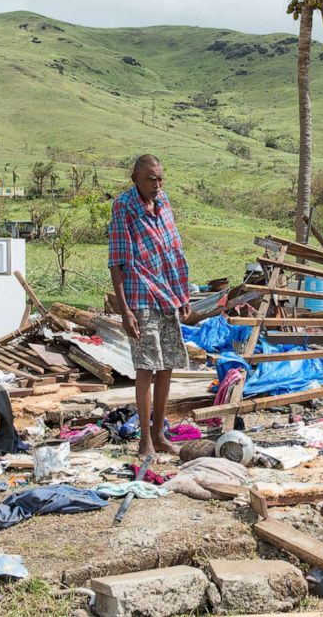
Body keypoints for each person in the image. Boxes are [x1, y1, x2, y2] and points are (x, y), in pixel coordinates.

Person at [108, 154, 191, 458]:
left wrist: (182, 295)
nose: (156, 184)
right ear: (135, 180)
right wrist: (124, 309)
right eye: (150, 179)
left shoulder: (164, 202)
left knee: (167, 363)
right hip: (140, 295)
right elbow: (116, 262)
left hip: (167, 294)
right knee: (146, 367)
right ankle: (144, 440)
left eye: (160, 178)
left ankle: (159, 434)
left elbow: (174, 250)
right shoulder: (124, 207)